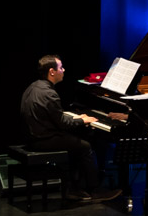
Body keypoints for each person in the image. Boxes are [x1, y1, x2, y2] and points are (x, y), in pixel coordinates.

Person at [20, 55, 122, 202]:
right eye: (61, 67)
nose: (64, 70)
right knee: (85, 147)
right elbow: (63, 123)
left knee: (75, 142)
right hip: (43, 140)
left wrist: (75, 118)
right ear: (52, 72)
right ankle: (95, 191)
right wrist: (81, 120)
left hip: (34, 136)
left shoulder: (34, 86)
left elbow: (55, 117)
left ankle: (74, 188)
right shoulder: (49, 93)